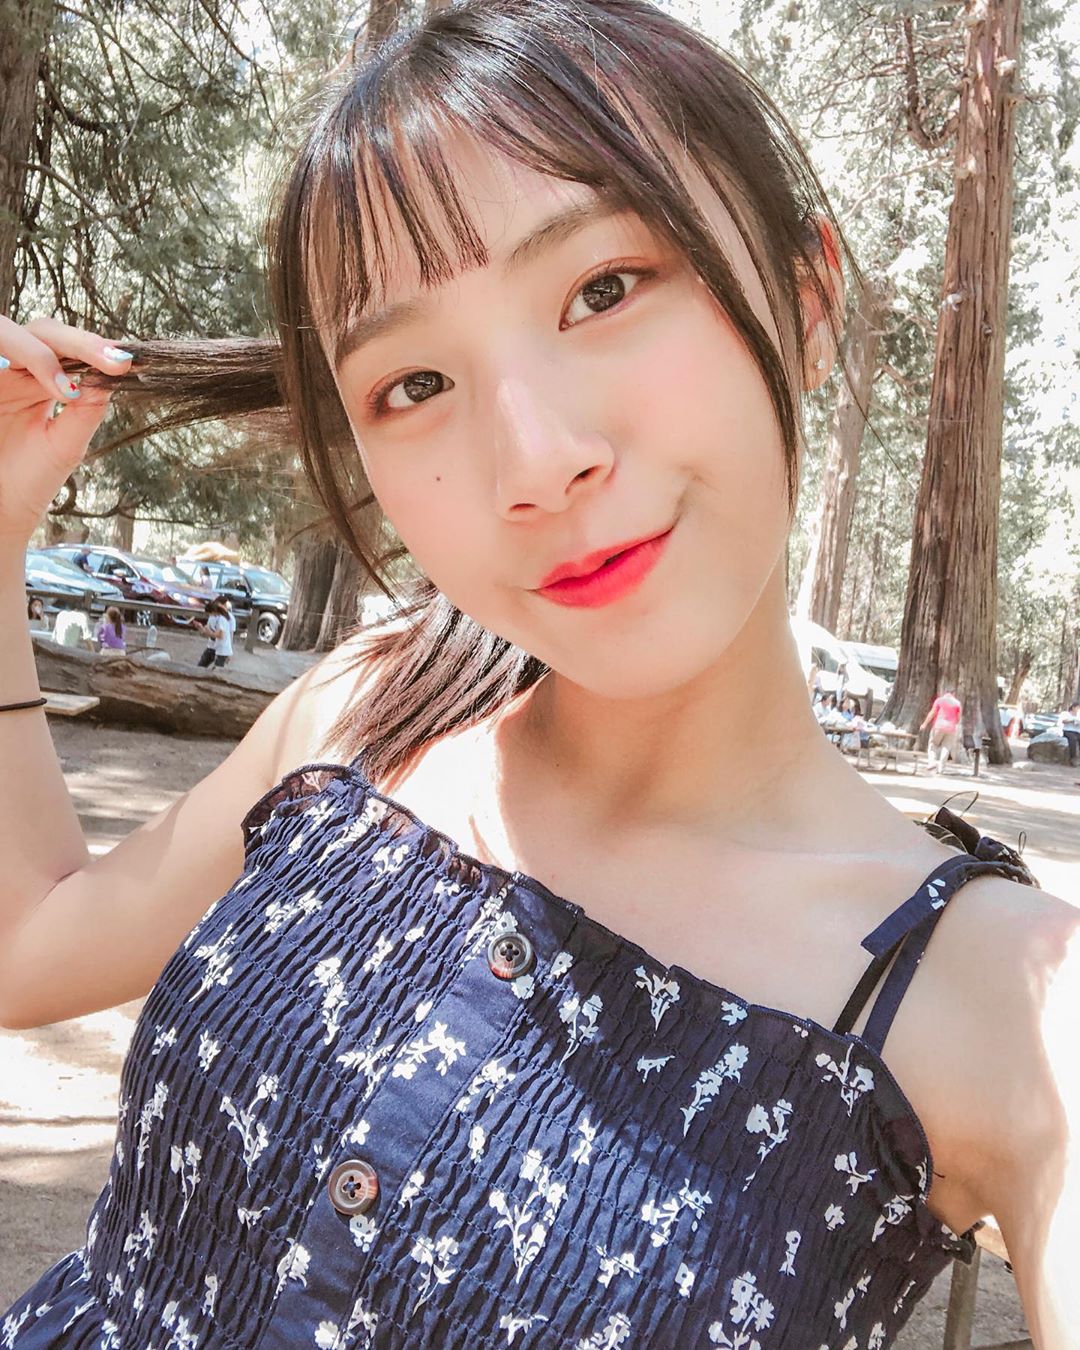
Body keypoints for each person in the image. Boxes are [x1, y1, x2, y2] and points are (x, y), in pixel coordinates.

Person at [0, 4, 1075, 1345]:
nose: (536, 463)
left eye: (604, 290)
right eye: (414, 383)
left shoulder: (1010, 1006)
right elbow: (28, 946)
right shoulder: (374, 711)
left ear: (808, 302)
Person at [920, 686, 962, 774]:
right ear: (953, 693)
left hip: (938, 726)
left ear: (945, 692)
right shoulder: (957, 703)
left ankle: (932, 762)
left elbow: (932, 713)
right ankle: (941, 768)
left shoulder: (939, 700)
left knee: (933, 744)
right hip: (951, 728)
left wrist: (924, 724)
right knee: (946, 747)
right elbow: (958, 718)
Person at [194, 598, 233, 669]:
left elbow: (220, 635)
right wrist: (203, 629)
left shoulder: (221, 619)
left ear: (213, 611)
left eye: (210, 613)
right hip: (219, 648)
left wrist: (209, 632)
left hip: (222, 649)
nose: (210, 615)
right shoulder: (220, 618)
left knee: (217, 670)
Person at [1058, 701, 1080, 769]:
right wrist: (1072, 720)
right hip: (1068, 730)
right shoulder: (1065, 713)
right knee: (1072, 740)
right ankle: (1073, 758)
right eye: (1078, 708)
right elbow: (1063, 721)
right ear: (1073, 707)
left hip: (1077, 731)